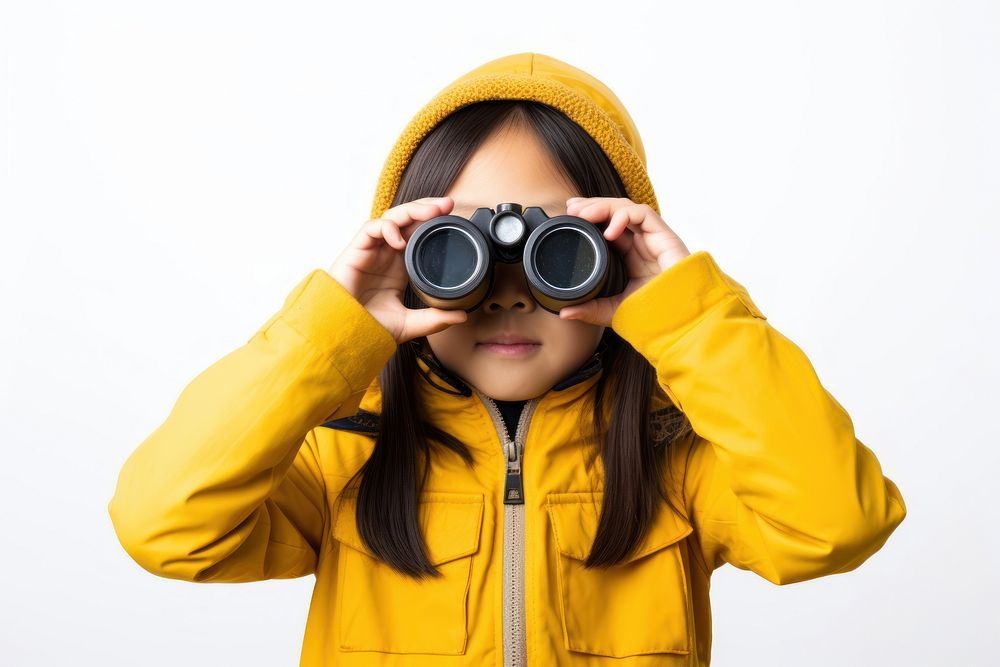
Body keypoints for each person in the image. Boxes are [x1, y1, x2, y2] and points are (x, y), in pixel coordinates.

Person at [108, 52, 907, 666]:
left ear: (622, 254)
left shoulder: (673, 458)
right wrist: (333, 328)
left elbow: (838, 520)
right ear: (401, 253)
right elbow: (165, 524)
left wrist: (686, 315)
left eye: (565, 250)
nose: (509, 290)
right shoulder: (346, 454)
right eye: (456, 251)